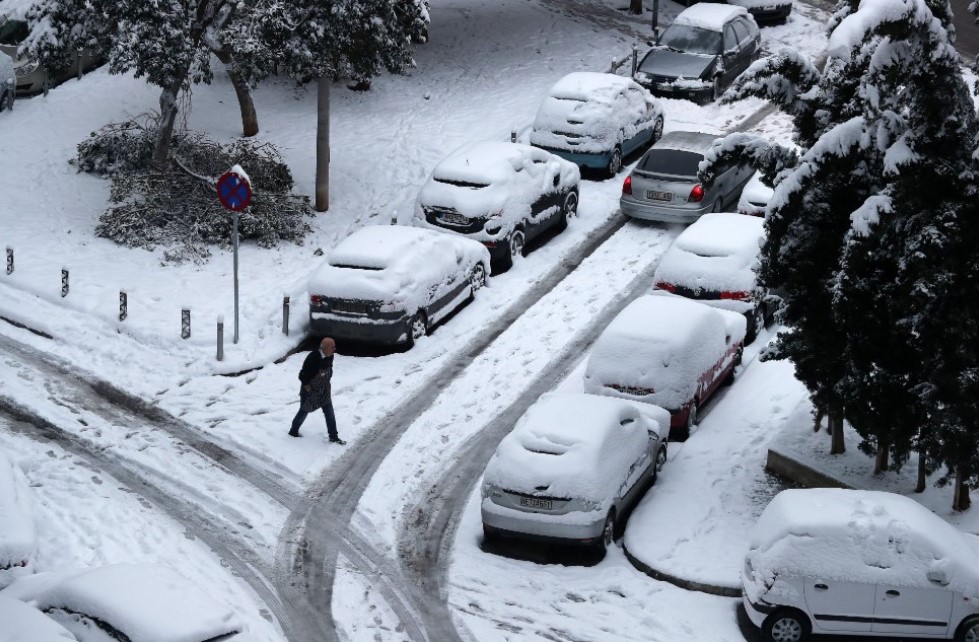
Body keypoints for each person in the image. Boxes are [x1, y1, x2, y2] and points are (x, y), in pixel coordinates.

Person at [288, 337, 346, 444]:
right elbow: (302, 375)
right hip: (311, 391)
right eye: (332, 347)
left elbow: (329, 369)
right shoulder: (313, 358)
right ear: (324, 348)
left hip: (324, 390)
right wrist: (306, 386)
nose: (335, 350)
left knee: (329, 412)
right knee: (304, 411)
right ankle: (293, 431)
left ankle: (333, 436)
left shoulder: (330, 356)